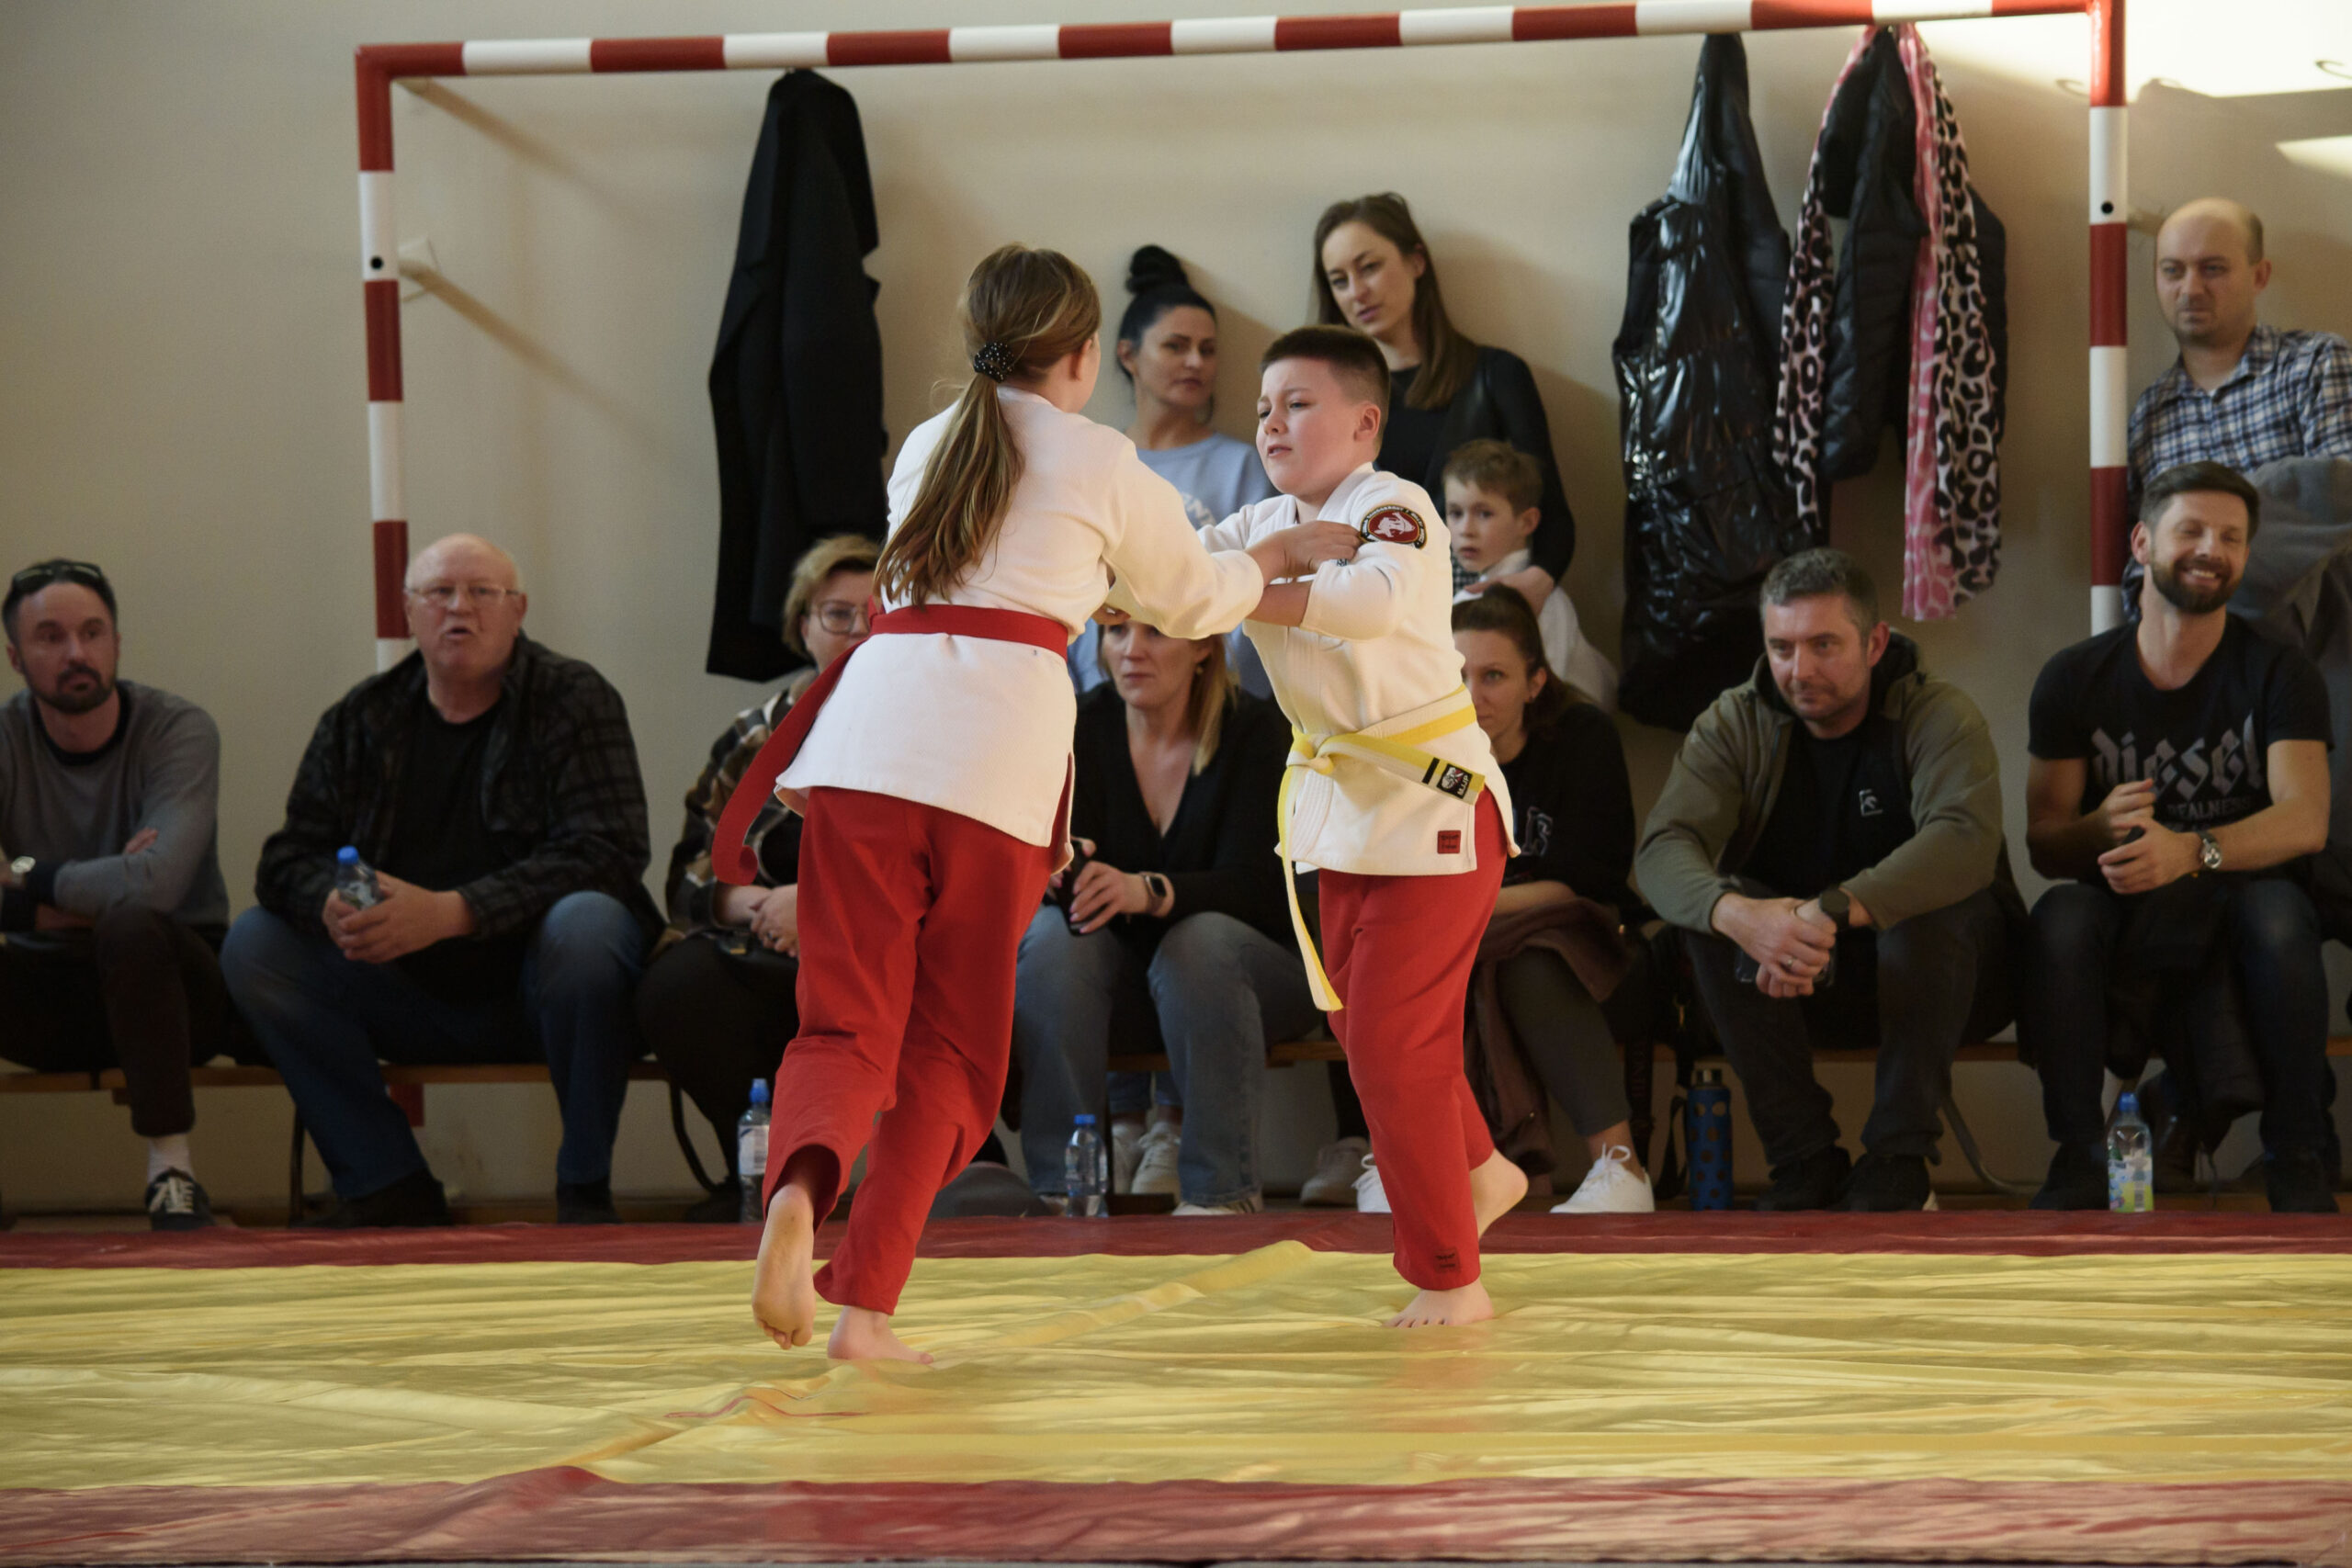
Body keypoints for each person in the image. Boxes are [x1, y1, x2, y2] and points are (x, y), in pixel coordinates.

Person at [741, 245, 1362, 1364]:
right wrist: (1270, 555)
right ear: (1084, 355)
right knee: (951, 1049)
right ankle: (864, 1309)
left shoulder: (930, 443)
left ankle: (797, 1188)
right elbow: (1190, 599)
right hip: (988, 762)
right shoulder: (1100, 455)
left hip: (866, 746)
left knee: (842, 1024)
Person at [1185, 322, 1528, 1327]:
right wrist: (1266, 559)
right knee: (1361, 1027)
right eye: (1263, 408)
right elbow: (1172, 593)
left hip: (1433, 807)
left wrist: (1247, 582)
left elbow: (1366, 605)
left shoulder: (1395, 506)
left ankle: (1448, 1274)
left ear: (1365, 423)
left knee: (1390, 1045)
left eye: (1298, 404)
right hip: (1340, 813)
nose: (1272, 423)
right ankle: (1481, 1169)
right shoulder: (1262, 522)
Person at [222, 535, 661, 1227]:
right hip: (402, 987)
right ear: (408, 612)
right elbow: (285, 859)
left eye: (482, 592)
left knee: (589, 923)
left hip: (542, 990)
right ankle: (384, 1180)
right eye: (439, 592)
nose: (460, 608)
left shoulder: (573, 697)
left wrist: (456, 911)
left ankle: (584, 1189)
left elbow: (609, 849)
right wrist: (335, 903)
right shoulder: (362, 717)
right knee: (255, 943)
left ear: (518, 611)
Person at [1634, 548, 2019, 1213]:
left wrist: (1828, 912)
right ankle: (1803, 1158)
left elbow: (1964, 842)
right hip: (1795, 977)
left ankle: (1899, 1158)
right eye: (1781, 647)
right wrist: (1743, 918)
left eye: (1823, 645)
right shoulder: (1734, 721)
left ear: (1874, 643)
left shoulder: (1939, 714)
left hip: (1950, 978)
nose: (1799, 669)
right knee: (1710, 919)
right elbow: (1662, 849)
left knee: (1930, 913)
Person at [2022, 461, 2336, 1213]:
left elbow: (2305, 820)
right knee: (2060, 917)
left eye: (2230, 537)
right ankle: (2077, 1153)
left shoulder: (2280, 671)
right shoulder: (2073, 677)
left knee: (2281, 915)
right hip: (2123, 901)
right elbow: (2044, 842)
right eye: (2190, 530)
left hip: (2240, 898)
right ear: (2142, 542)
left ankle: (2298, 1153)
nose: (2210, 550)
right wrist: (2096, 829)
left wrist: (2190, 850)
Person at [1012, 615, 1310, 1214]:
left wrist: (1151, 891)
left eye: (1155, 632)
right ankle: (1065, 1190)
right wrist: (1049, 871)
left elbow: (1267, 890)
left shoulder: (1256, 730)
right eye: (1117, 632)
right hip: (1122, 986)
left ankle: (1220, 1196)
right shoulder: (1078, 724)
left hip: (1253, 976)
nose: (1131, 651)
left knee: (1198, 943)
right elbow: (1054, 862)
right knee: (1051, 937)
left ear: (1203, 645)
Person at [637, 536, 878, 1223]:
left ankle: (919, 1178)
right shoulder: (752, 735)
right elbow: (687, 875)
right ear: (803, 627)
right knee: (675, 986)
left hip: (879, 949)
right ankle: (760, 1176)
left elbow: (947, 869)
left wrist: (821, 909)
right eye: (837, 615)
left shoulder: (933, 728)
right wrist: (760, 905)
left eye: (878, 615)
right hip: (759, 947)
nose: (859, 632)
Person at [0, 559, 232, 1229]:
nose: (77, 652)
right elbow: (134, 880)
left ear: (118, 643)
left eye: (93, 632)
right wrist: (105, 886)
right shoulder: (7, 738)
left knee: (131, 925)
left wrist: (22, 873)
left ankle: (172, 1174)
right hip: (50, 992)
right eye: (50, 637)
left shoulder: (179, 729)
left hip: (175, 992)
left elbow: (157, 885)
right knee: (123, 911)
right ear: (16, 658)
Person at [1452, 587, 1649, 1213]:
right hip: (1478, 934)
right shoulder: (1431, 753)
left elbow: (1587, 879)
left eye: (1494, 676)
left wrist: (1469, 908)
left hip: (1597, 942)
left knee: (1527, 961)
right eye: (1457, 675)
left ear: (1535, 682)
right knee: (1420, 961)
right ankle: (1438, 1163)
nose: (1472, 695)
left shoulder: (1582, 737)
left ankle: (1620, 1164)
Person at [1313, 194, 1575, 609]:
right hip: (1376, 616)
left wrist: (1533, 587)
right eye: (1339, 280)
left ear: (1416, 262)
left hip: (1479, 617)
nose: (1357, 292)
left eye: (1370, 267)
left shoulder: (1497, 375)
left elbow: (1551, 514)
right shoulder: (1330, 400)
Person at [1069, 245, 1278, 700]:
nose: (1196, 362)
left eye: (1208, 350)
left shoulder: (1243, 467)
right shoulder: (1091, 459)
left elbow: (1256, 589)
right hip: (1095, 705)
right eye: (1176, 346)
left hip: (1221, 706)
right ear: (1128, 355)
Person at [2129, 199, 2352, 510]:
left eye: (2213, 269)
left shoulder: (2317, 365)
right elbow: (2145, 537)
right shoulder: (2148, 416)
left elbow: (2343, 507)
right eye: (2172, 271)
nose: (2191, 289)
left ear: (2259, 276)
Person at [1444, 439, 1617, 711]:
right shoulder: (1474, 592)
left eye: (1484, 513)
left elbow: (1545, 695)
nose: (1466, 529)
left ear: (1526, 522)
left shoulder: (1540, 599)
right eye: (1455, 513)